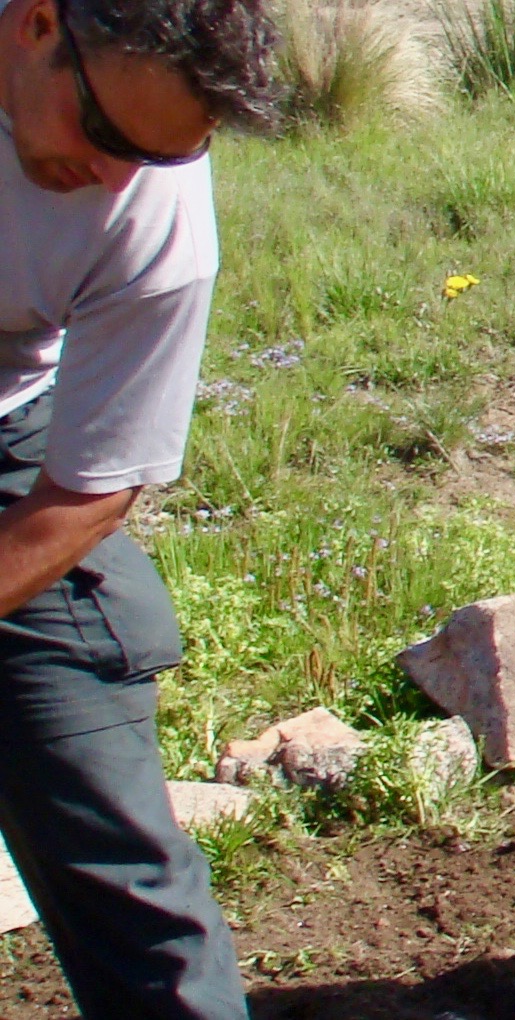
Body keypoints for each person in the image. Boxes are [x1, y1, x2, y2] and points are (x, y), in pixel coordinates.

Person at [0, 0, 280, 1015]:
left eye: (159, 158)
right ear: (36, 25)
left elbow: (88, 490)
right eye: (109, 135)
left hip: (13, 442)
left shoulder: (158, 218)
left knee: (112, 845)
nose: (115, 178)